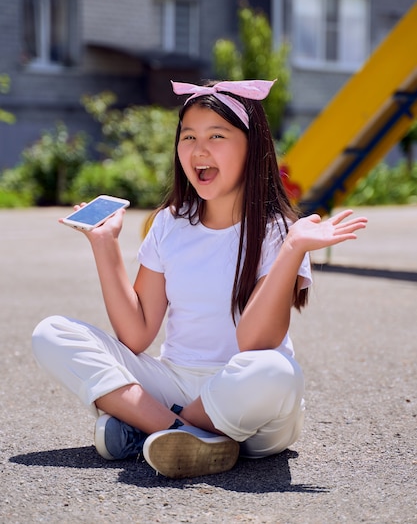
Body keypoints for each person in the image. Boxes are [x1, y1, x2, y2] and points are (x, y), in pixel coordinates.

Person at [32, 79, 367, 479]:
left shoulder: (281, 232)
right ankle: (178, 433)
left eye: (217, 135)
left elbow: (255, 343)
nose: (199, 149)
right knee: (51, 332)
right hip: (174, 381)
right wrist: (105, 245)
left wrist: (293, 251)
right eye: (188, 136)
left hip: (248, 399)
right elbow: (137, 335)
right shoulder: (169, 225)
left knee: (277, 372)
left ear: (251, 147)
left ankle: (149, 427)